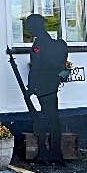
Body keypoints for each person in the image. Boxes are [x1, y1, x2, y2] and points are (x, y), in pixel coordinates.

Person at [25, 14, 68, 163]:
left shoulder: (40, 44)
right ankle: (56, 151)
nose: (29, 31)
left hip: (42, 86)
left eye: (30, 27)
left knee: (44, 119)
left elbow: (36, 67)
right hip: (52, 84)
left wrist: (30, 87)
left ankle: (48, 152)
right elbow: (62, 67)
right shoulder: (56, 44)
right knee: (53, 119)